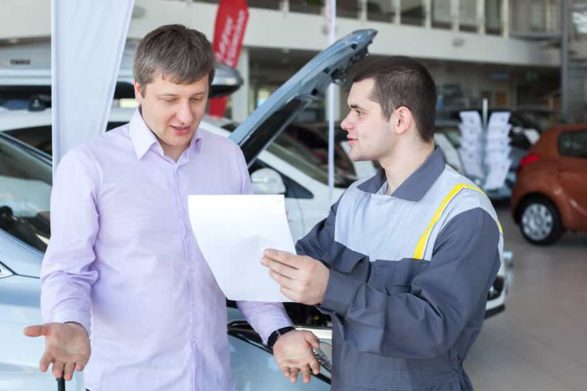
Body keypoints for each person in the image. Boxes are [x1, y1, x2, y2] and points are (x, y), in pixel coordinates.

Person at [23, 24, 319, 390]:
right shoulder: (89, 165)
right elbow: (68, 270)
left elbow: (244, 267)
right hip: (127, 382)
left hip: (212, 380)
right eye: (170, 99)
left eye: (197, 98)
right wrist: (70, 322)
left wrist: (279, 333)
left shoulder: (227, 158)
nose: (185, 115)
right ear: (139, 90)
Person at [262, 56, 503, 390]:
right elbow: (293, 269)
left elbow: (435, 327)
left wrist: (331, 289)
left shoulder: (463, 212)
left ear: (400, 119)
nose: (345, 122)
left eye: (359, 112)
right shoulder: (355, 199)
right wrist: (282, 326)